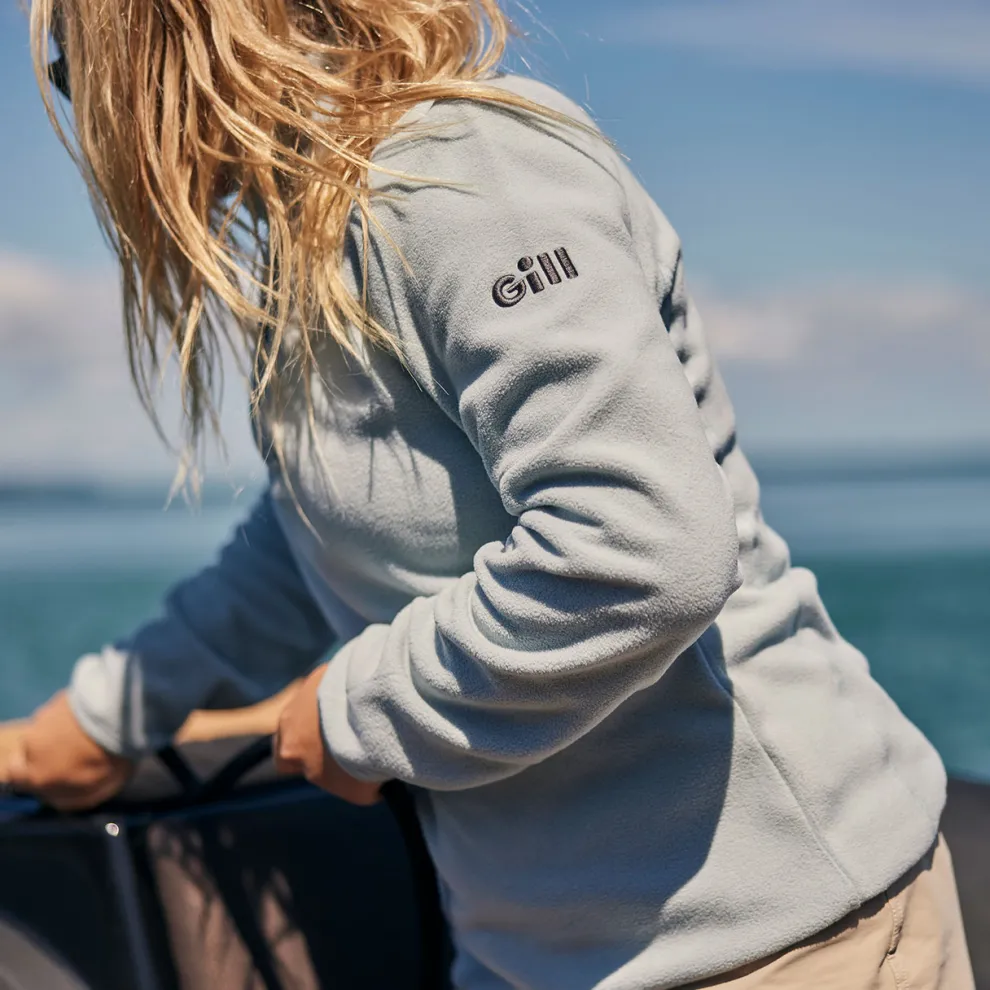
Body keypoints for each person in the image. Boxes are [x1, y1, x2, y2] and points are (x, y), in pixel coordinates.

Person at [1, 0, 975, 987]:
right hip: (524, 952)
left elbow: (639, 549)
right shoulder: (313, 255)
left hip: (778, 936)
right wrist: (104, 716)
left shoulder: (465, 169)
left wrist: (353, 715)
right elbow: (311, 547)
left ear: (159, 45)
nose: (88, 123)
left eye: (74, 72)